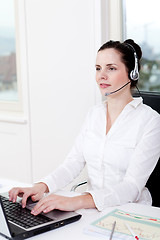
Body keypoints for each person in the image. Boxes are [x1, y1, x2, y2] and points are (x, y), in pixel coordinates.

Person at [9, 39, 160, 214]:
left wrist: (77, 201)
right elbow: (73, 162)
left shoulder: (150, 121)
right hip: (92, 209)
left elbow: (132, 186)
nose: (101, 75)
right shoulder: (94, 114)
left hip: (131, 212)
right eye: (98, 68)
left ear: (132, 73)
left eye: (111, 68)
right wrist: (42, 186)